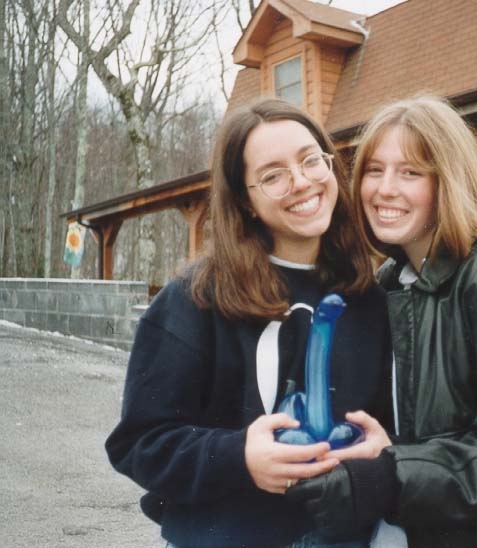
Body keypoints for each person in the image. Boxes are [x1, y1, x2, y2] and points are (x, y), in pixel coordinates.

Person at [288, 95, 477, 548]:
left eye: (410, 172)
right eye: (374, 170)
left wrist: (389, 470)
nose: (385, 189)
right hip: (416, 523)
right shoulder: (388, 284)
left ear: (448, 181)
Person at [105, 97, 394, 548]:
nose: (301, 182)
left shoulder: (368, 298)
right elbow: (139, 443)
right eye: (272, 175)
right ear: (246, 201)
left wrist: (385, 453)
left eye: (310, 160)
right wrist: (237, 457)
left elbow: (395, 425)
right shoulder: (194, 298)